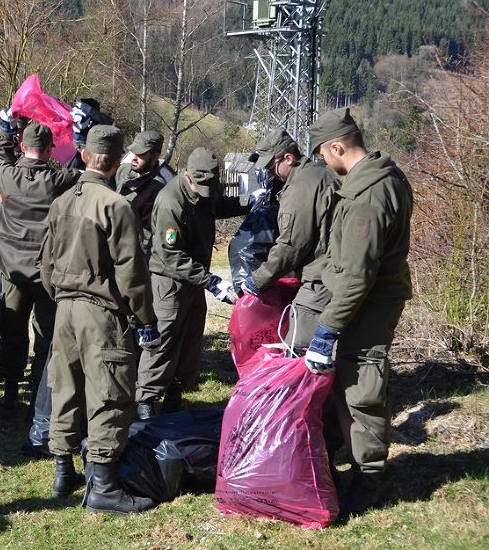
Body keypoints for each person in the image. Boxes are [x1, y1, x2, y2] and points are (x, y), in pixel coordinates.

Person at [40, 125, 160, 514]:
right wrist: (145, 319)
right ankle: (104, 486)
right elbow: (132, 273)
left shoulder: (61, 202)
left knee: (66, 386)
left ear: (86, 154)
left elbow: (45, 263)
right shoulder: (116, 206)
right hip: (100, 311)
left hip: (65, 309)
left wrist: (61, 295)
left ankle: (63, 472)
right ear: (115, 159)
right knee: (109, 389)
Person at [304, 108, 413, 515]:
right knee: (347, 384)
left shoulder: (368, 194)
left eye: (322, 153)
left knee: (360, 390)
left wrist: (327, 329)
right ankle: (346, 459)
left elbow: (357, 275)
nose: (322, 162)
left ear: (337, 146)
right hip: (364, 302)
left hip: (366, 306)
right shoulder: (377, 178)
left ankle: (368, 481)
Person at [135, 148, 247, 419]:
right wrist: (212, 282)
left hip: (195, 279)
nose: (205, 191)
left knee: (190, 337)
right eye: (201, 186)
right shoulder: (171, 202)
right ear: (187, 176)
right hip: (170, 282)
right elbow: (171, 256)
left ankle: (176, 393)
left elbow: (217, 205)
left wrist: (248, 201)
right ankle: (146, 401)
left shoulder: (205, 186)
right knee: (164, 339)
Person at [0, 121, 81, 414]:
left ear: (22, 146)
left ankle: (10, 394)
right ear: (49, 150)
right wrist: (78, 137)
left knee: (12, 330)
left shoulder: (7, 176)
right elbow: (79, 167)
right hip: (46, 272)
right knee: (46, 335)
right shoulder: (57, 181)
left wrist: (5, 131)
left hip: (12, 270)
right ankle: (40, 395)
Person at [240, 129, 338, 344]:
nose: (270, 173)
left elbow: (291, 245)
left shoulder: (300, 187)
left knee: (298, 347)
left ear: (288, 158)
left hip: (321, 279)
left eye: (271, 167)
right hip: (333, 274)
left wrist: (257, 280)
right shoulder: (319, 173)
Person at [115, 130, 168, 259]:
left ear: (155, 156)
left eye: (141, 154)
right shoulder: (123, 171)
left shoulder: (159, 188)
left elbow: (151, 233)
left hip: (136, 253)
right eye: (134, 152)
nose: (134, 158)